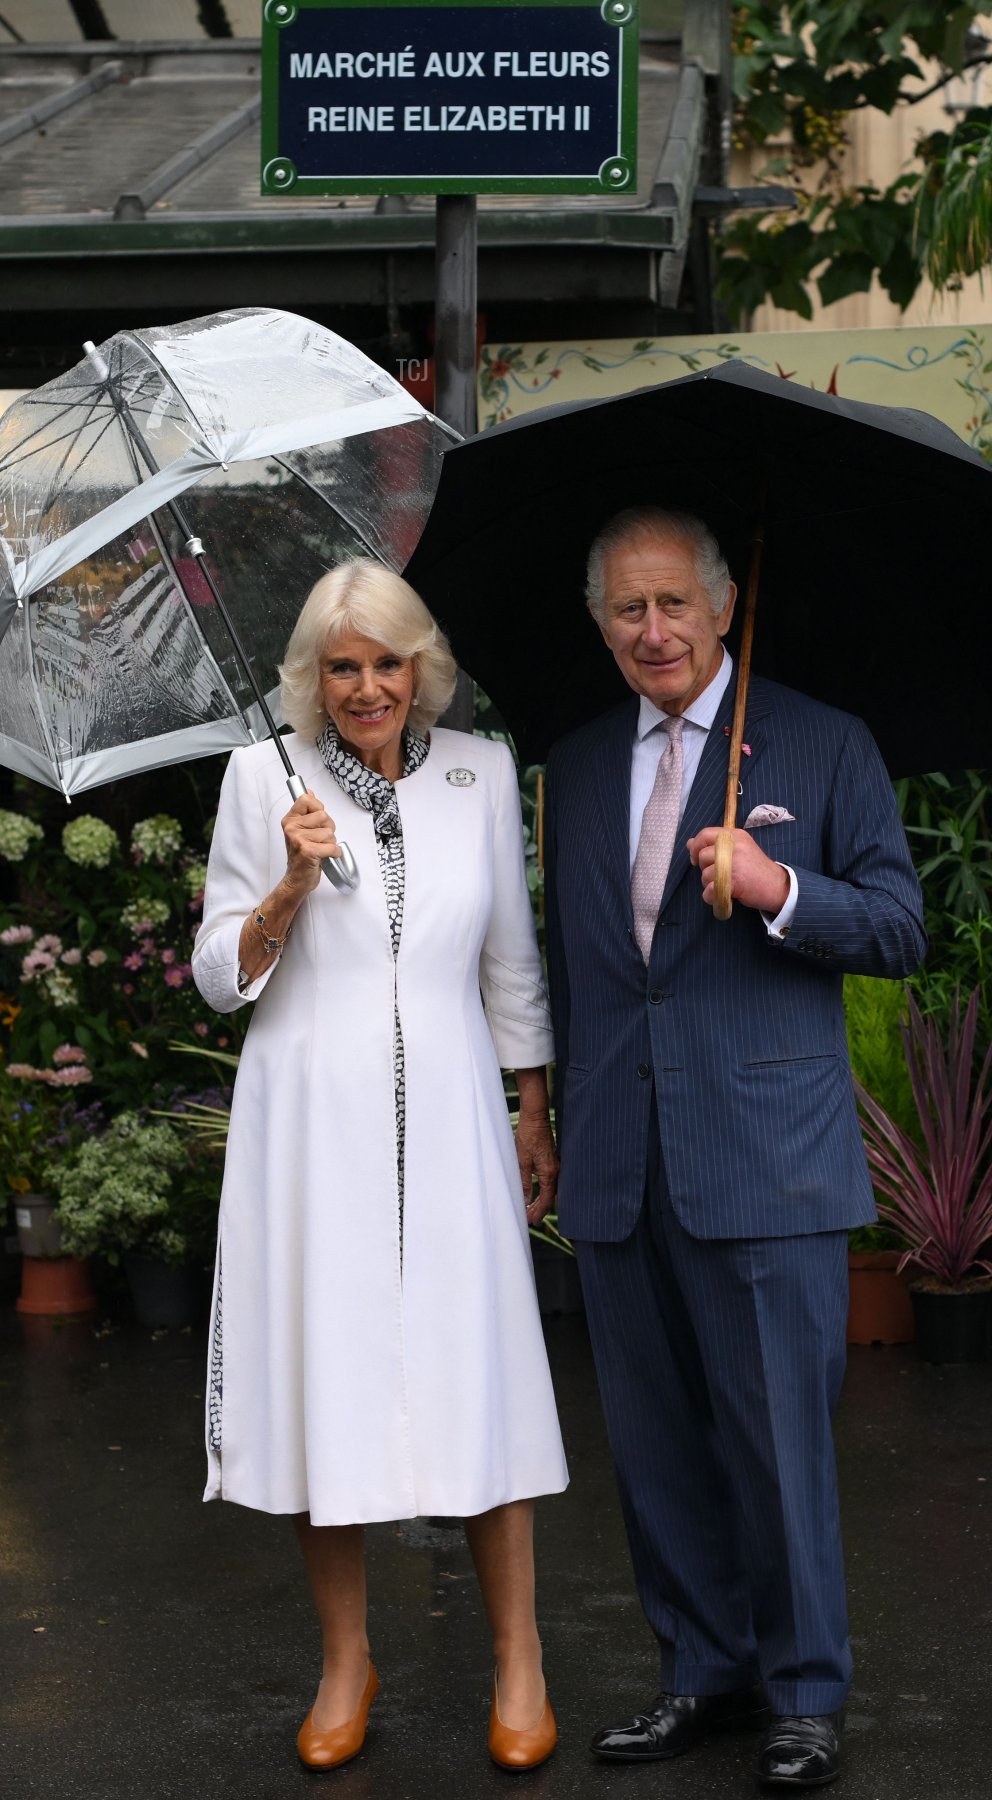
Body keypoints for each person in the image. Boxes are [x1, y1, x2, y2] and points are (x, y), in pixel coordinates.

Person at [543, 507, 926, 1791]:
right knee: (652, 1444)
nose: (653, 631)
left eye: (673, 605)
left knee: (777, 1442)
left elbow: (897, 924)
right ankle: (699, 1672)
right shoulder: (579, 764)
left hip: (766, 1156)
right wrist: (542, 1114)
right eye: (626, 610)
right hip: (618, 1155)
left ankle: (805, 1692)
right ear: (600, 624)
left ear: (723, 610)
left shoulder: (821, 743)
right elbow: (574, 968)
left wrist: (779, 891)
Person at [192, 559, 565, 1774]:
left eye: (386, 663)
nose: (366, 687)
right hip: (312, 1118)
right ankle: (346, 1660)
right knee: (330, 1376)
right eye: (341, 667)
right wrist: (290, 885)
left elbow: (510, 958)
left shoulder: (481, 772)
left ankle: (521, 1662)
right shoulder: (265, 779)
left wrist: (531, 1104)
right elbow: (218, 974)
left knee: (481, 1370)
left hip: (455, 1113)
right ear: (312, 676)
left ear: (422, 671)